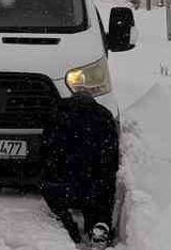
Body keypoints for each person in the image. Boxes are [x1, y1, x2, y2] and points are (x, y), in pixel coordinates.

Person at [40, 93, 120, 246]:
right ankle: (99, 225)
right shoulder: (104, 117)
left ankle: (68, 226)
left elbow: (46, 152)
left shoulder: (58, 115)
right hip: (94, 186)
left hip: (64, 187)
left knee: (50, 188)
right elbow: (112, 160)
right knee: (101, 196)